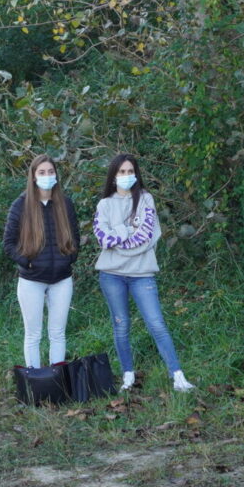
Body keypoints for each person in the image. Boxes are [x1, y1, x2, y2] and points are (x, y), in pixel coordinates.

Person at [93, 153, 196, 392]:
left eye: (130, 171)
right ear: (113, 176)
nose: (126, 176)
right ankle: (128, 376)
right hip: (111, 275)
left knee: (156, 323)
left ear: (136, 174)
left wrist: (119, 236)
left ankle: (178, 376)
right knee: (121, 326)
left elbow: (147, 236)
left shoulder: (146, 200)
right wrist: (127, 230)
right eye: (122, 172)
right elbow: (103, 238)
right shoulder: (105, 205)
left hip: (142, 274)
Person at [4, 155, 81, 369]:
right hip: (31, 280)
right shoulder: (20, 205)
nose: (47, 176)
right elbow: (8, 243)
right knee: (33, 335)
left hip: (62, 279)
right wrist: (27, 262)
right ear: (33, 176)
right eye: (42, 172)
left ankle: (58, 380)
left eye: (50, 172)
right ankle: (35, 381)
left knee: (58, 333)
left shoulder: (65, 204)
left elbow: (75, 238)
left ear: (56, 175)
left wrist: (69, 259)